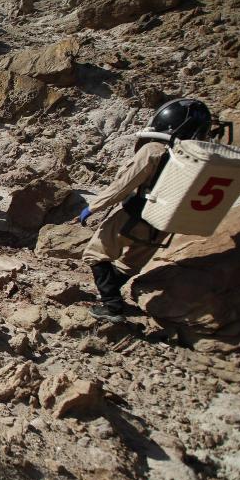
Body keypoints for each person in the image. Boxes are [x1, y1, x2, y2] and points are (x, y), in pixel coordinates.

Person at [78, 98, 213, 323]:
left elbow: (122, 186)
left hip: (136, 216)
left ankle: (112, 306)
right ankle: (110, 298)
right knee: (127, 264)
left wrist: (93, 207)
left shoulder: (154, 151)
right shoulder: (199, 159)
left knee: (95, 253)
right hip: (165, 223)